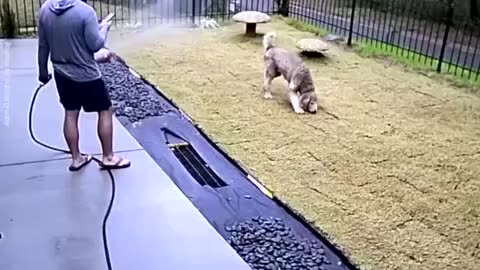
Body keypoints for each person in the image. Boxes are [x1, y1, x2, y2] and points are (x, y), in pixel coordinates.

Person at [37, 0, 131, 171]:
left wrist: (43, 72)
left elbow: (43, 45)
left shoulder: (45, 9)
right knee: (105, 110)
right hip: (88, 76)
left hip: (62, 74)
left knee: (70, 113)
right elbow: (95, 45)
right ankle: (109, 157)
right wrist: (103, 28)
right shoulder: (85, 12)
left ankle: (76, 159)